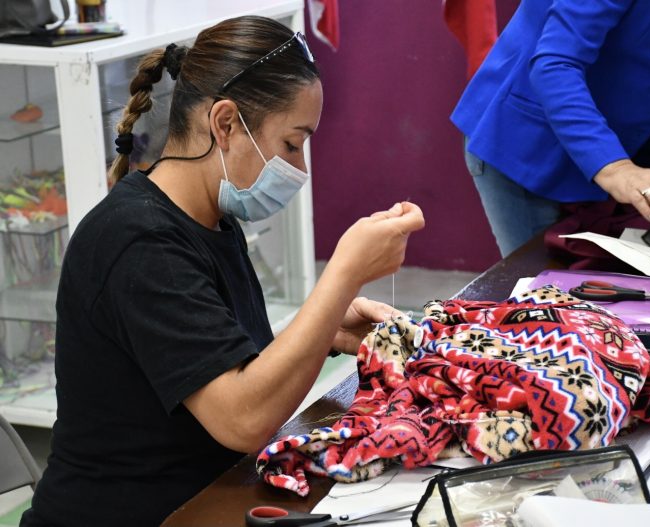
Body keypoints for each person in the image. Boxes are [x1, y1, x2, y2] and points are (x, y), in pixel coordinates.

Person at [21, 16, 424, 527]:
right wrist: (342, 274)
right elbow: (243, 419)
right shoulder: (137, 241)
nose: (298, 169)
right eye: (292, 144)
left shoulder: (210, 219)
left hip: (205, 498)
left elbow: (213, 364)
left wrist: (325, 327)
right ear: (227, 125)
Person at [452, 0, 650, 257]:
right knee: (548, 302)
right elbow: (555, 65)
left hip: (617, 147)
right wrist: (614, 166)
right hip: (533, 146)